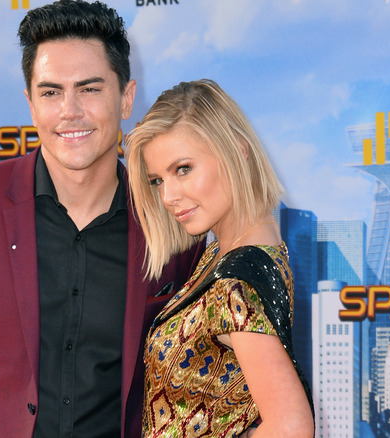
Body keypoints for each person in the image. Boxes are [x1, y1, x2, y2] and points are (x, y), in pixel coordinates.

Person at [0, 1, 202, 437]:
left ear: (126, 97)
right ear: (30, 104)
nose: (70, 110)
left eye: (89, 88)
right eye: (50, 92)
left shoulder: (172, 223)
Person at [126, 79, 315, 437]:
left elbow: (291, 427)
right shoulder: (226, 253)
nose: (167, 197)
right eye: (157, 180)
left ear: (237, 150)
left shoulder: (236, 283)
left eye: (182, 169)